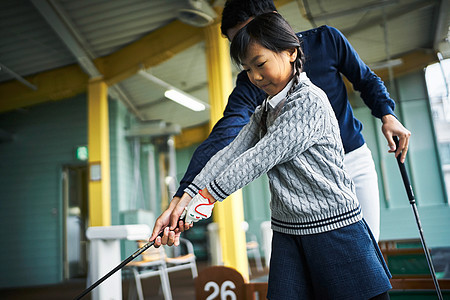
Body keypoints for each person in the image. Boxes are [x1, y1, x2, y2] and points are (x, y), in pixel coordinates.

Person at [162, 12, 393, 299]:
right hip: (288, 230)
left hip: (334, 229)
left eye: (260, 64)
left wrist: (205, 200)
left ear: (291, 52)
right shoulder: (266, 110)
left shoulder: (309, 101)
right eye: (247, 69)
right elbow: (231, 151)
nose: (255, 77)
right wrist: (190, 195)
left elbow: (260, 157)